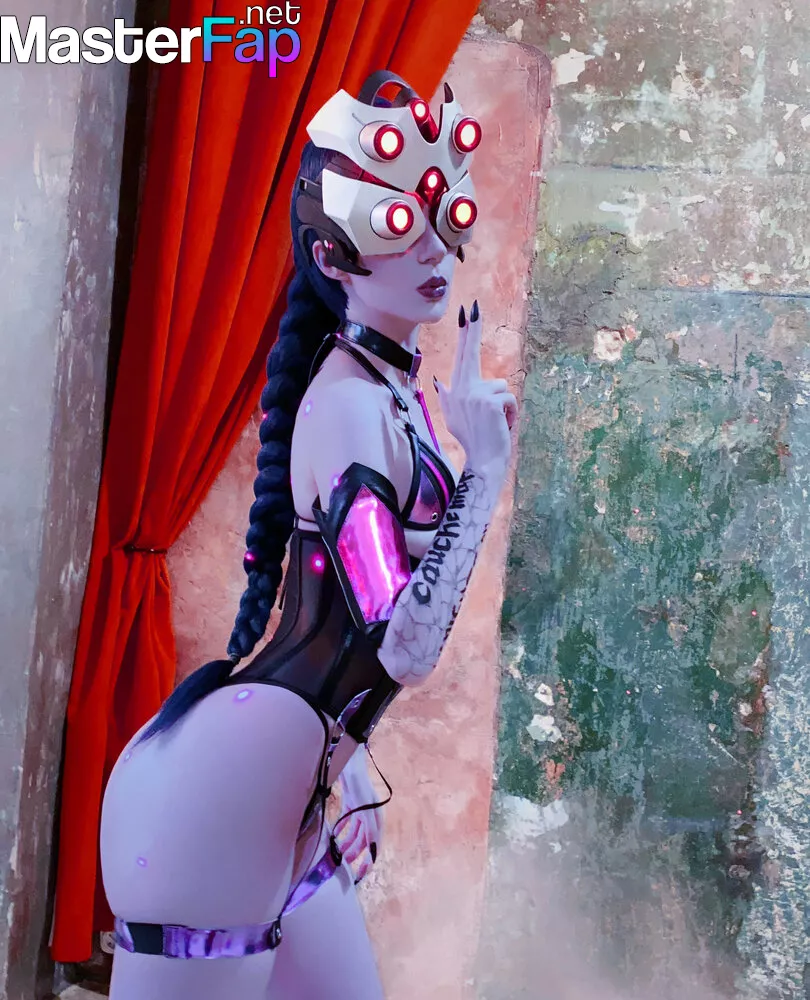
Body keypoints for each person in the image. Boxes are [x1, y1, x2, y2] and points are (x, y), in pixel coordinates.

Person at [99, 70, 517, 1000]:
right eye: (396, 222)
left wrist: (345, 764)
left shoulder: (388, 389)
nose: (434, 245)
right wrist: (483, 474)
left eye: (442, 214)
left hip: (290, 782)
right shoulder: (351, 407)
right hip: (226, 792)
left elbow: (334, 610)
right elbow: (400, 643)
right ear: (334, 256)